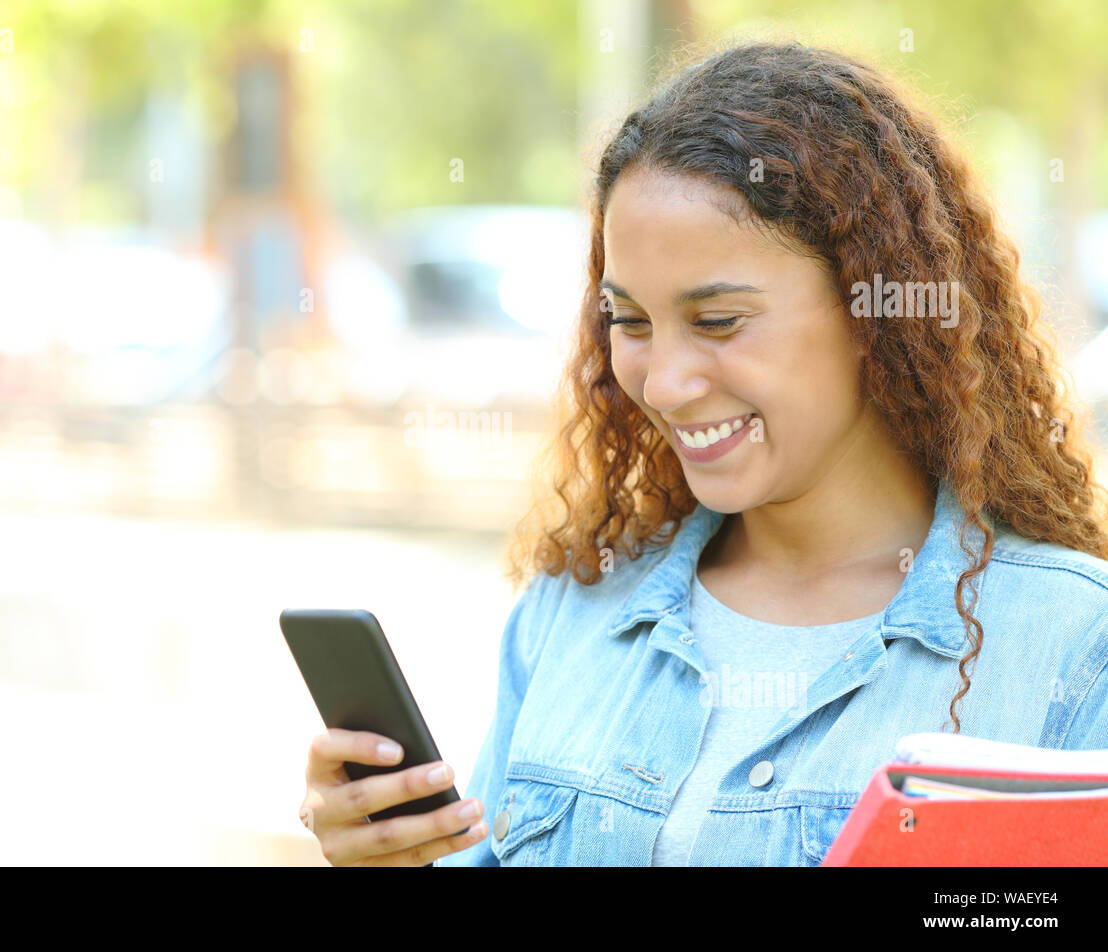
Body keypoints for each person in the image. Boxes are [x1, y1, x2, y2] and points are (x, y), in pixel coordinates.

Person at [300, 40, 1108, 867]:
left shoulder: (1073, 644)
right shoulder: (572, 613)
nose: (668, 383)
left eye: (718, 321)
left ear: (875, 312)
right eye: (631, 322)